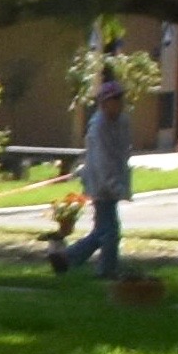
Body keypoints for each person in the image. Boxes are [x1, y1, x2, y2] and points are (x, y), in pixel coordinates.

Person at [65, 62, 134, 276]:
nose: (119, 104)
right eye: (115, 100)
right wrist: (114, 186)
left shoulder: (121, 122)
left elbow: (122, 154)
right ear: (104, 103)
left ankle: (66, 258)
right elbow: (102, 161)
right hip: (101, 184)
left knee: (103, 230)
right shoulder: (99, 128)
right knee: (110, 231)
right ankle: (106, 270)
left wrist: (123, 183)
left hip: (113, 181)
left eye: (121, 99)